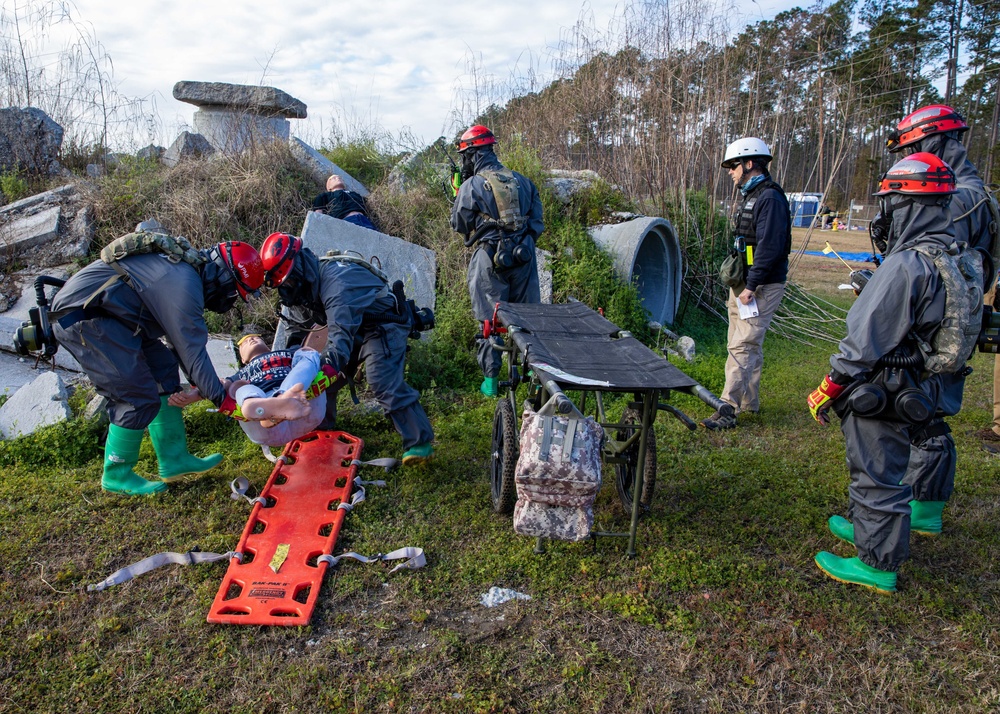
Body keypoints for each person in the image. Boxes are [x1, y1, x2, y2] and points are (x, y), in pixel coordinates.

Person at [808, 153, 983, 593]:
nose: (883, 213)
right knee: (897, 464)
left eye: (888, 203)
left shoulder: (907, 264)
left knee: (876, 471)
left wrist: (829, 387)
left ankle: (877, 563)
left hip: (888, 386)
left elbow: (863, 342)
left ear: (905, 205)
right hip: (928, 384)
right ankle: (875, 530)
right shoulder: (957, 255)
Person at [49, 221, 265, 496]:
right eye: (235, 293)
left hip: (116, 319)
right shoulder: (184, 283)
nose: (230, 300)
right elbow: (192, 349)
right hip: (84, 317)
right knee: (136, 393)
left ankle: (174, 460)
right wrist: (224, 401)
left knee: (162, 367)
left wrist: (203, 387)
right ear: (224, 278)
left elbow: (180, 347)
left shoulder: (186, 273)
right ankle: (117, 473)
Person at [258, 231, 435, 465]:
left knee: (380, 378)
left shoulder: (336, 283)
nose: (287, 287)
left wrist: (309, 383)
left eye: (289, 280)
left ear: (299, 268)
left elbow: (339, 346)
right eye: (283, 284)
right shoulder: (299, 290)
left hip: (384, 323)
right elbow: (296, 335)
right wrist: (293, 374)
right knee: (316, 373)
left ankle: (419, 442)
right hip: (354, 326)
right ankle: (319, 428)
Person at [881, 104, 1000, 451]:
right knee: (928, 413)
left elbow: (920, 263)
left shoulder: (955, 199)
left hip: (931, 326)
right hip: (952, 322)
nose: (910, 159)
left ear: (931, 143)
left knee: (916, 415)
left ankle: (910, 500)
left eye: (911, 150)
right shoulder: (978, 192)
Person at [702, 137, 791, 430]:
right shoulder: (752, 195)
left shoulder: (770, 199)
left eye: (733, 166)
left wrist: (751, 287)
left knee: (743, 345)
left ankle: (727, 408)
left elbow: (770, 247)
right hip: (745, 282)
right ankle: (749, 402)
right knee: (743, 343)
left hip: (760, 285)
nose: (730, 172)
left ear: (749, 164)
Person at [449, 125, 544, 397]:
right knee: (527, 319)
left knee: (489, 320)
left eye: (465, 156)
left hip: (490, 259)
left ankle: (490, 383)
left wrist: (459, 192)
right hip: (524, 258)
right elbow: (536, 224)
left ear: (472, 155)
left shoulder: (472, 185)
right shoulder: (524, 181)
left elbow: (459, 223)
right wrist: (522, 243)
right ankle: (529, 376)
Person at [169, 333, 327, 447]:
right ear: (243, 359)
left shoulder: (287, 353)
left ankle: (284, 397)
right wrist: (193, 396)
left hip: (300, 399)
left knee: (307, 354)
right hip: (264, 411)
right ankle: (256, 405)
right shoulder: (242, 373)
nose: (251, 338)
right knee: (237, 386)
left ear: (266, 345)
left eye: (256, 337)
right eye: (244, 342)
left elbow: (315, 349)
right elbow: (216, 385)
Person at [311, 174, 377, 231]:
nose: (338, 178)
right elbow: (318, 215)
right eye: (333, 178)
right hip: (346, 221)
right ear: (329, 187)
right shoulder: (325, 196)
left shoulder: (355, 194)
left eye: (340, 178)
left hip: (366, 221)